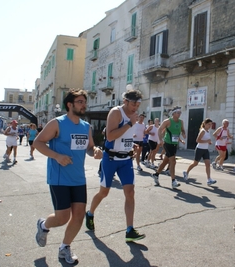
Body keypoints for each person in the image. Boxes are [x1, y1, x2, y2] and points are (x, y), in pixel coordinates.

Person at [33, 88, 103, 264]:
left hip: (78, 178)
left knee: (79, 216)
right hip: (59, 178)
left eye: (84, 102)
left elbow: (89, 147)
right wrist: (57, 156)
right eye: (80, 102)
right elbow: (38, 143)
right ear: (69, 105)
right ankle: (43, 225)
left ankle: (65, 247)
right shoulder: (57, 123)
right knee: (62, 218)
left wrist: (94, 151)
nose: (83, 105)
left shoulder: (86, 127)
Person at [86, 89, 145, 243]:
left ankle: (130, 230)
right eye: (133, 104)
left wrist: (131, 145)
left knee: (130, 192)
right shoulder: (116, 112)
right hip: (110, 158)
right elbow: (110, 135)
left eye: (138, 104)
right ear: (125, 101)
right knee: (104, 192)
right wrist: (130, 123)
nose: (135, 108)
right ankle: (90, 213)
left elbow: (125, 136)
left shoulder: (134, 115)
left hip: (125, 160)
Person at [151, 106, 186, 188]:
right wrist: (160, 140)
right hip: (167, 143)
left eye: (180, 113)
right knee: (173, 161)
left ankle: (156, 174)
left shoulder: (181, 122)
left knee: (165, 161)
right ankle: (173, 181)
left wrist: (183, 133)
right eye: (178, 113)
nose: (179, 114)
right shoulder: (168, 121)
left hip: (174, 144)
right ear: (173, 113)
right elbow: (160, 129)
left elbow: (182, 129)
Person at [183, 118, 216, 186]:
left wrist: (209, 142)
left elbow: (206, 140)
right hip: (199, 149)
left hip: (205, 150)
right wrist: (207, 141)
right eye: (209, 124)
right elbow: (197, 140)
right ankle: (186, 172)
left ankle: (209, 179)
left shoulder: (208, 131)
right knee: (195, 163)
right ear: (205, 124)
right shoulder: (203, 131)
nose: (210, 126)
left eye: (211, 124)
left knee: (207, 164)